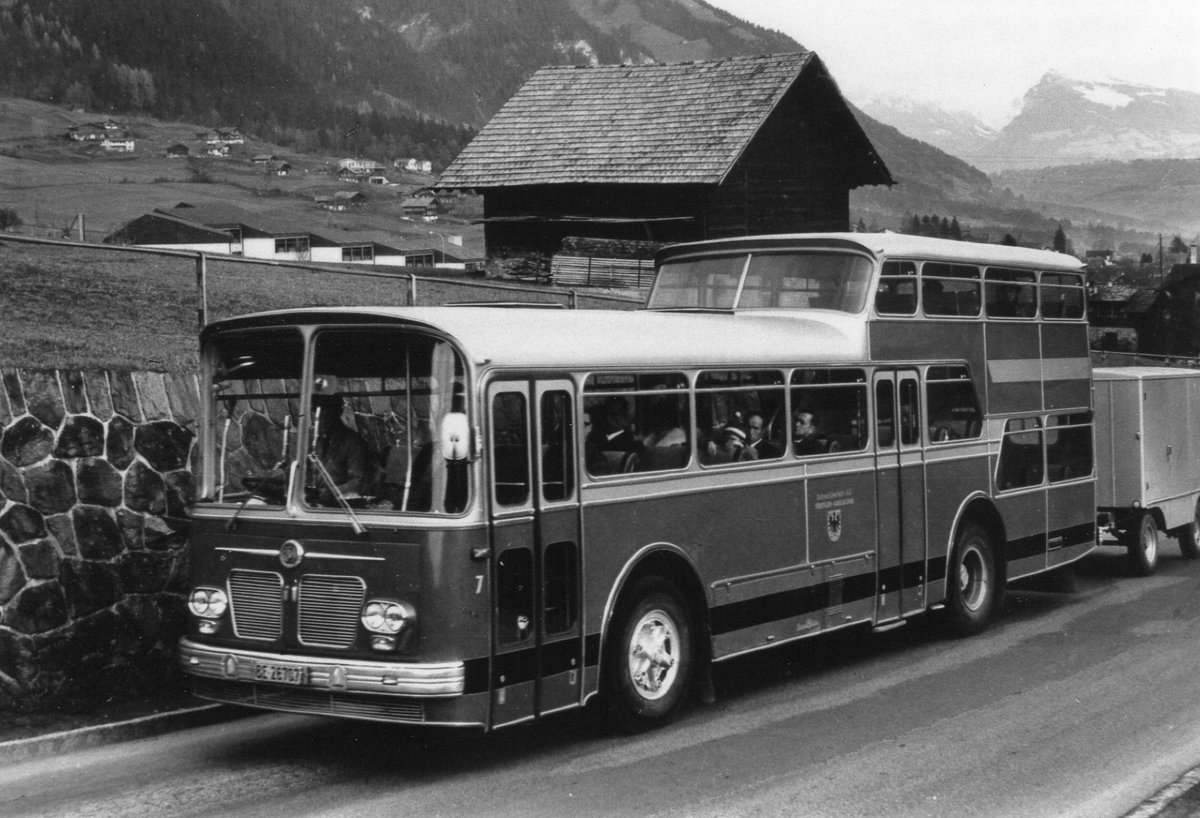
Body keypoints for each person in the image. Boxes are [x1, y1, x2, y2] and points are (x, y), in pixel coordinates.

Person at [312, 393, 373, 503]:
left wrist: (332, 492)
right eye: (318, 415)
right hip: (308, 505)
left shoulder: (353, 442)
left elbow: (359, 482)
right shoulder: (310, 440)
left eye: (326, 414)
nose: (322, 419)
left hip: (339, 508)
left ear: (337, 412)